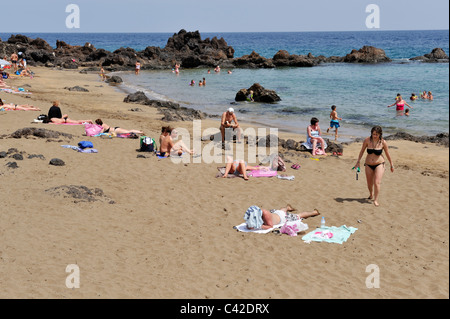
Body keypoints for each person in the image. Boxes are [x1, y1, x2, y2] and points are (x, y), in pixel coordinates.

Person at [354, 126, 394, 207]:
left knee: (377, 182)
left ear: (380, 134)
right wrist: (358, 162)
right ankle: (371, 194)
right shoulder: (367, 140)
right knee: (369, 183)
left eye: (376, 134)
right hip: (368, 164)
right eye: (373, 134)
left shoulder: (383, 142)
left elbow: (387, 153)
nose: (374, 136)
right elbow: (362, 151)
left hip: (380, 164)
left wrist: (391, 164)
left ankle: (375, 200)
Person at [244, 204, 320, 230]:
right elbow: (250, 224)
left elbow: (270, 226)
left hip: (283, 218)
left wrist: (260, 226)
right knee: (280, 211)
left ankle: (314, 212)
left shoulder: (265, 214)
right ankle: (287, 208)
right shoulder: (254, 214)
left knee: (298, 216)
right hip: (275, 214)